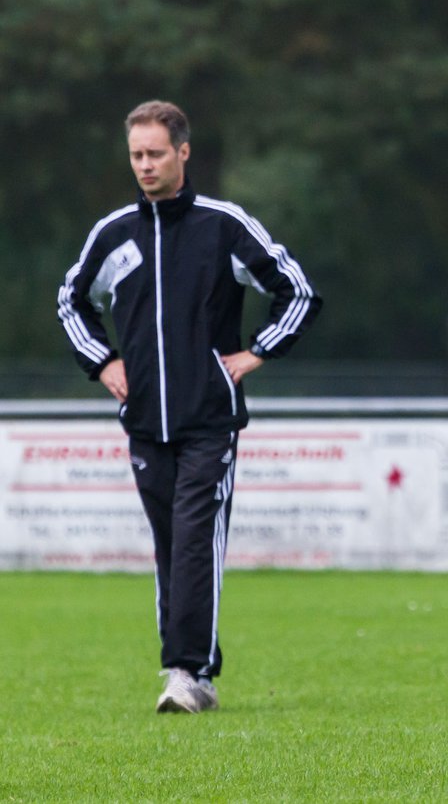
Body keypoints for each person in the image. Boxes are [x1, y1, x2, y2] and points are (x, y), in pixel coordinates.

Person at [56, 101, 322, 713]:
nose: (144, 166)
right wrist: (103, 362)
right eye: (135, 155)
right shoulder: (114, 233)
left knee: (195, 539)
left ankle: (189, 673)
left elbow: (297, 294)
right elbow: (72, 302)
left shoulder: (224, 227)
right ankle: (187, 667)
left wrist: (255, 354)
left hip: (210, 420)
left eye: (154, 153)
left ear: (183, 152)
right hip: (145, 422)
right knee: (168, 544)